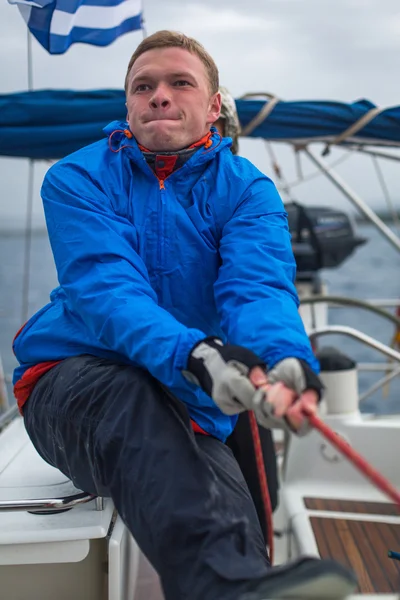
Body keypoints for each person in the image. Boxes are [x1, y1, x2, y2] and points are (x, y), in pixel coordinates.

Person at [12, 31, 357, 600]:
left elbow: (258, 288)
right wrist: (193, 354)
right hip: (71, 383)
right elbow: (107, 290)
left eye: (179, 83)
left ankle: (244, 586)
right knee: (129, 396)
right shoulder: (77, 178)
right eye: (142, 86)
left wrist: (283, 358)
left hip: (189, 397)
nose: (159, 96)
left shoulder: (247, 191)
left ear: (213, 105)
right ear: (128, 105)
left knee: (228, 502)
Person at [215, 86, 280, 538]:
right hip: (173, 368)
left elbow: (259, 281)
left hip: (238, 361)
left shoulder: (245, 194)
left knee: (259, 498)